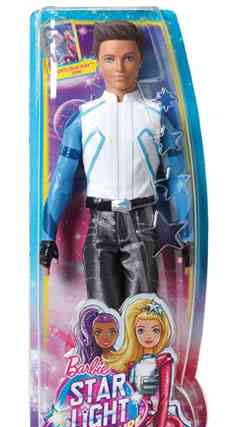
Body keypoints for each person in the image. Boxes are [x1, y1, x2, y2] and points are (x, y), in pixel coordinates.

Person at [39, 21, 185, 309]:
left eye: (128, 58)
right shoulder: (84, 118)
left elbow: (178, 178)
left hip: (142, 224)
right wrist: (47, 237)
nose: (119, 68)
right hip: (100, 224)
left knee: (140, 315)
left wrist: (187, 234)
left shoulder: (156, 117)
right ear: (98, 62)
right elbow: (61, 181)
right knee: (102, 317)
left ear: (140, 60)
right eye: (110, 58)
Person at [100, 295, 175, 427]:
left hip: (151, 423)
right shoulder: (131, 363)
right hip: (129, 420)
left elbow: (164, 400)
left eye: (155, 330)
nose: (148, 336)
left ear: (162, 331)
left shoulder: (163, 361)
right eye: (141, 330)